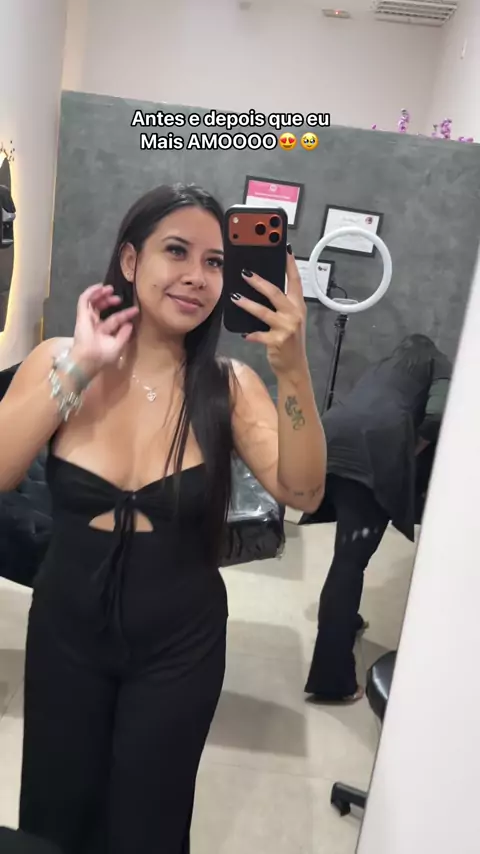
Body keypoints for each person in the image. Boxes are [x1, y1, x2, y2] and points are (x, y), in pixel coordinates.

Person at [0, 183, 326, 854]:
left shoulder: (229, 387)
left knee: (147, 825)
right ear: (130, 260)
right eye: (176, 251)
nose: (197, 276)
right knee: (55, 815)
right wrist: (82, 366)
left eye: (215, 262)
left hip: (180, 645)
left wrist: (293, 370)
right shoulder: (57, 359)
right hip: (65, 632)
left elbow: (304, 490)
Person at [303, 334, 452, 703]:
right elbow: (436, 415)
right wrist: (410, 450)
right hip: (373, 450)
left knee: (347, 547)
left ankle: (348, 620)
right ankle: (332, 679)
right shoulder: (439, 363)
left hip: (329, 436)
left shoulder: (383, 366)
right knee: (349, 562)